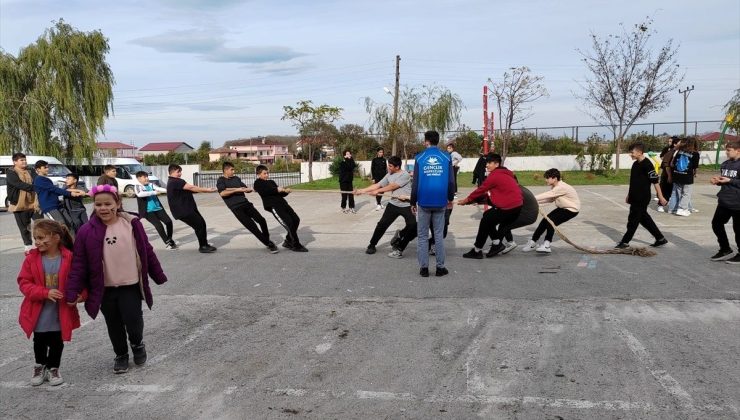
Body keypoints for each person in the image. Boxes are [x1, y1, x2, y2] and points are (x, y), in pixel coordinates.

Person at [65, 184, 167, 374]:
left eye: (108, 204)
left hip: (130, 284)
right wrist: (73, 290)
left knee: (133, 320)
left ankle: (137, 344)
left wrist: (157, 275)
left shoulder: (131, 224)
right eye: (98, 204)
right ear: (93, 206)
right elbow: (78, 264)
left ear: (118, 203)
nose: (103, 208)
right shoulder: (86, 231)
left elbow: (147, 251)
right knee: (114, 324)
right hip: (104, 288)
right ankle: (121, 355)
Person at [17, 220, 85, 386]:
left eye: (41, 237)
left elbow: (80, 280)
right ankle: (40, 366)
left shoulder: (69, 258)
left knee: (56, 341)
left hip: (60, 310)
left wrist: (80, 295)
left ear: (56, 237)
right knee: (39, 340)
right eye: (35, 238)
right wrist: (44, 292)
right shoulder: (31, 259)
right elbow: (24, 282)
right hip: (38, 310)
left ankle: (53, 367)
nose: (37, 241)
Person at [457, 153, 523, 259]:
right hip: (517, 208)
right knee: (488, 217)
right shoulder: (506, 173)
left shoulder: (494, 176)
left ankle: (477, 250)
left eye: (489, 163)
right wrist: (473, 200)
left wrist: (467, 200)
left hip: (509, 208)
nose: (486, 165)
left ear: (496, 164)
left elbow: (481, 190)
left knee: (486, 220)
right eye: (486, 163)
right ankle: (496, 244)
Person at [410, 131, 455, 277]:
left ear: (426, 141)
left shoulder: (419, 157)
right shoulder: (446, 157)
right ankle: (440, 268)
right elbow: (450, 182)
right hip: (440, 201)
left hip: (423, 201)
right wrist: (450, 198)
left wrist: (413, 201)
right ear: (437, 140)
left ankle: (424, 269)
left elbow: (415, 182)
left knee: (422, 236)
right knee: (438, 235)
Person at [355, 156, 416, 258]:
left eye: (390, 166)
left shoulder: (405, 175)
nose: (388, 167)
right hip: (393, 204)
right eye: (388, 165)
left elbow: (393, 186)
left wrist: (378, 191)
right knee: (382, 224)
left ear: (397, 167)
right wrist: (362, 191)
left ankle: (400, 235)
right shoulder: (389, 175)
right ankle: (372, 244)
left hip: (407, 205)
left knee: (413, 225)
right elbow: (378, 185)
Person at [216, 162, 279, 254]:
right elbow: (222, 193)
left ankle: (266, 239)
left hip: (246, 204)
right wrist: (237, 189)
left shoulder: (236, 178)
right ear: (225, 170)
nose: (234, 171)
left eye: (233, 169)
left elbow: (244, 188)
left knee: (262, 220)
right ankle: (269, 244)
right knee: (253, 227)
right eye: (231, 170)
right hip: (236, 208)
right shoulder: (221, 180)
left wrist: (248, 189)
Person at [615, 143, 668, 249]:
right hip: (634, 196)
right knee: (644, 219)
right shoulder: (635, 165)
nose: (630, 154)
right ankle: (660, 238)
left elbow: (655, 182)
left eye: (632, 152)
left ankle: (625, 241)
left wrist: (661, 197)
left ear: (639, 152)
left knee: (633, 219)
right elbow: (633, 182)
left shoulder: (647, 165)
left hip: (642, 197)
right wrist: (629, 195)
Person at [521, 168, 580, 254]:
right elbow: (550, 199)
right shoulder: (555, 186)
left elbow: (548, 195)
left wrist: (531, 198)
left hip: (571, 210)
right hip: (563, 208)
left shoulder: (561, 187)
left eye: (548, 178)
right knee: (545, 221)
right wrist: (534, 203)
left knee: (550, 222)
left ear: (555, 178)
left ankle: (547, 245)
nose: (546, 180)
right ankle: (533, 242)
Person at [253, 165, 308, 252]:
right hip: (274, 206)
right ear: (258, 174)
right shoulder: (257, 183)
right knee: (289, 223)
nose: (267, 175)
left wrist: (286, 191)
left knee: (296, 220)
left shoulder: (271, 182)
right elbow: (265, 192)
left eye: (267, 173)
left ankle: (288, 241)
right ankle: (296, 245)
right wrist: (277, 190)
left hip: (283, 204)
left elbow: (279, 194)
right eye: (264, 173)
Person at [166, 164, 217, 253]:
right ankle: (203, 246)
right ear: (172, 172)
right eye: (178, 172)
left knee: (201, 224)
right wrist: (208, 190)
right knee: (200, 225)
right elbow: (192, 187)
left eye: (180, 172)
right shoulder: (175, 181)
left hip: (187, 209)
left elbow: (189, 189)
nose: (180, 174)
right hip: (184, 211)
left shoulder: (172, 181)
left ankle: (204, 244)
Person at [709, 141, 740, 264]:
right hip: (724, 201)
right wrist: (717, 181)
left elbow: (732, 181)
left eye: (729, 150)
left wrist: (730, 180)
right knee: (716, 224)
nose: (726, 152)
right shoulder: (725, 164)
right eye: (726, 150)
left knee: (738, 229)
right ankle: (725, 249)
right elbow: (725, 181)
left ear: (738, 150)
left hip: (738, 203)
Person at [33, 160, 85, 227]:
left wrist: (71, 191)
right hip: (49, 207)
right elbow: (54, 189)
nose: (47, 169)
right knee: (61, 225)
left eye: (47, 167)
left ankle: (73, 237)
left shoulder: (46, 179)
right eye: (45, 167)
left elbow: (55, 192)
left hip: (57, 205)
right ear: (38, 169)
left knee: (70, 223)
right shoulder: (39, 180)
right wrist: (70, 193)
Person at [6, 153, 41, 253]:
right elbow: (17, 184)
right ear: (15, 162)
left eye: (25, 160)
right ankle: (28, 246)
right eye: (21, 160)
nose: (24, 162)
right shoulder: (11, 171)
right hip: (19, 203)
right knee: (24, 227)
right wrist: (34, 187)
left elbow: (37, 180)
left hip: (34, 202)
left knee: (40, 223)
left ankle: (41, 243)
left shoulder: (30, 170)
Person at [134, 171, 177, 250]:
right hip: (148, 211)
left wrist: (170, 190)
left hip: (158, 208)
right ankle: (167, 242)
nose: (147, 178)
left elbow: (159, 189)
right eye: (144, 177)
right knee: (158, 225)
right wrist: (153, 192)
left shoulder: (151, 185)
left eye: (147, 177)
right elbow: (140, 194)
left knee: (168, 222)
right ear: (139, 179)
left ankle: (169, 238)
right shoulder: (138, 186)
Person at [669, 137, 700, 216]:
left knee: (678, 192)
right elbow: (695, 166)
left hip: (676, 175)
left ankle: (675, 208)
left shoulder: (679, 151)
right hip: (687, 176)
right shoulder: (695, 153)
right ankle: (682, 209)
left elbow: (673, 163)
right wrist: (695, 173)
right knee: (686, 193)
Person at [657, 136, 680, 212]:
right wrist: (669, 176)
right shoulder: (670, 153)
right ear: (675, 144)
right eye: (680, 143)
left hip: (675, 176)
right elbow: (666, 166)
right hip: (667, 176)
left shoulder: (679, 152)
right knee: (665, 191)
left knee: (674, 192)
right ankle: (661, 205)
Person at [339, 149, 356, 214]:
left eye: (349, 154)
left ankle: (351, 207)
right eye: (347, 154)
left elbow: (353, 166)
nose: (349, 155)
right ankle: (343, 207)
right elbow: (348, 167)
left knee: (351, 195)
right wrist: (346, 159)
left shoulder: (351, 161)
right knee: (344, 195)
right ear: (344, 155)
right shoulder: (342, 162)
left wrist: (351, 159)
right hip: (343, 181)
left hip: (349, 181)